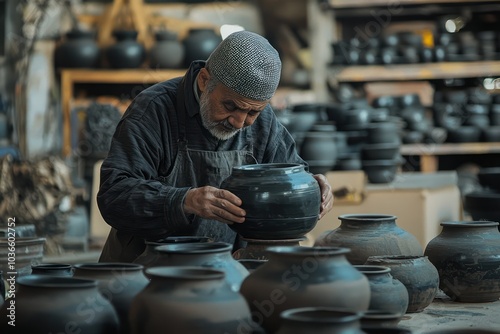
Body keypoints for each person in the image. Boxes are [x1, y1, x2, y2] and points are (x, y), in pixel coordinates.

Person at [96, 30, 334, 263]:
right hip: (146, 273)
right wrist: (184, 200)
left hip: (225, 272)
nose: (239, 122)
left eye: (252, 112)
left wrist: (311, 186)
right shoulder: (154, 110)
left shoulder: (264, 122)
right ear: (204, 81)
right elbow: (114, 196)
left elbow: (290, 176)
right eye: (230, 106)